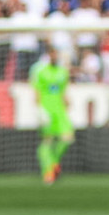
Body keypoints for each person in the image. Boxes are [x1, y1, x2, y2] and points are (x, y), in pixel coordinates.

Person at [30, 42, 74, 184]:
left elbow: (63, 91)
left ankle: (54, 163)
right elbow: (36, 92)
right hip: (47, 109)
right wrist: (39, 110)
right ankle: (47, 172)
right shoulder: (41, 72)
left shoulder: (63, 72)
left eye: (57, 54)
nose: (55, 56)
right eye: (52, 54)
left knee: (67, 138)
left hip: (59, 110)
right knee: (47, 141)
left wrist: (67, 101)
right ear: (48, 55)